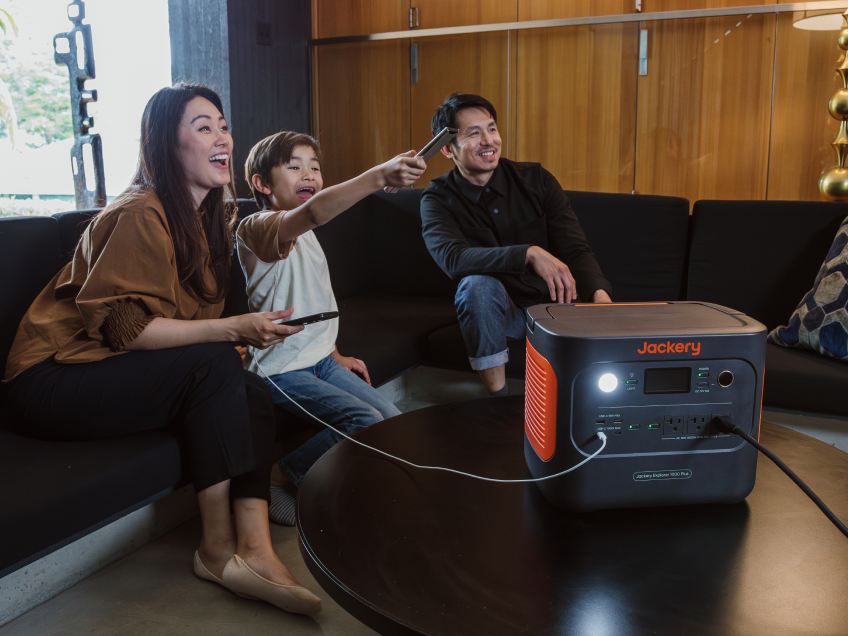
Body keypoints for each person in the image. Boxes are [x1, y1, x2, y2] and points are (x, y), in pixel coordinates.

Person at [1, 84, 321, 616]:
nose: (223, 138)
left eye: (223, 126)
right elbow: (125, 329)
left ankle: (257, 549)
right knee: (217, 362)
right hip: (49, 378)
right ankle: (216, 551)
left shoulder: (207, 217)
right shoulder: (140, 212)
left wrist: (233, 336)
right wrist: (231, 330)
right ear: (165, 144)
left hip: (107, 366)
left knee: (250, 390)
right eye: (203, 127)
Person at [238, 131, 426, 526]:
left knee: (391, 420)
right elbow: (313, 213)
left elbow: (317, 303)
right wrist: (380, 175)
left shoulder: (307, 235)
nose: (309, 174)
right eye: (295, 167)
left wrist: (335, 354)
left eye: (314, 167)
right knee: (364, 421)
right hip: (280, 370)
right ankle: (278, 476)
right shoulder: (256, 228)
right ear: (262, 183)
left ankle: (338, 483)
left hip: (320, 361)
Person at [420, 93, 613, 396]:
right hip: (502, 313)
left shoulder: (536, 180)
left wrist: (601, 300)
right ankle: (497, 400)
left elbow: (575, 249)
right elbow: (453, 259)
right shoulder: (437, 199)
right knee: (475, 286)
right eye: (474, 133)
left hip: (556, 307)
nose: (489, 141)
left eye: (492, 129)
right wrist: (527, 253)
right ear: (447, 148)